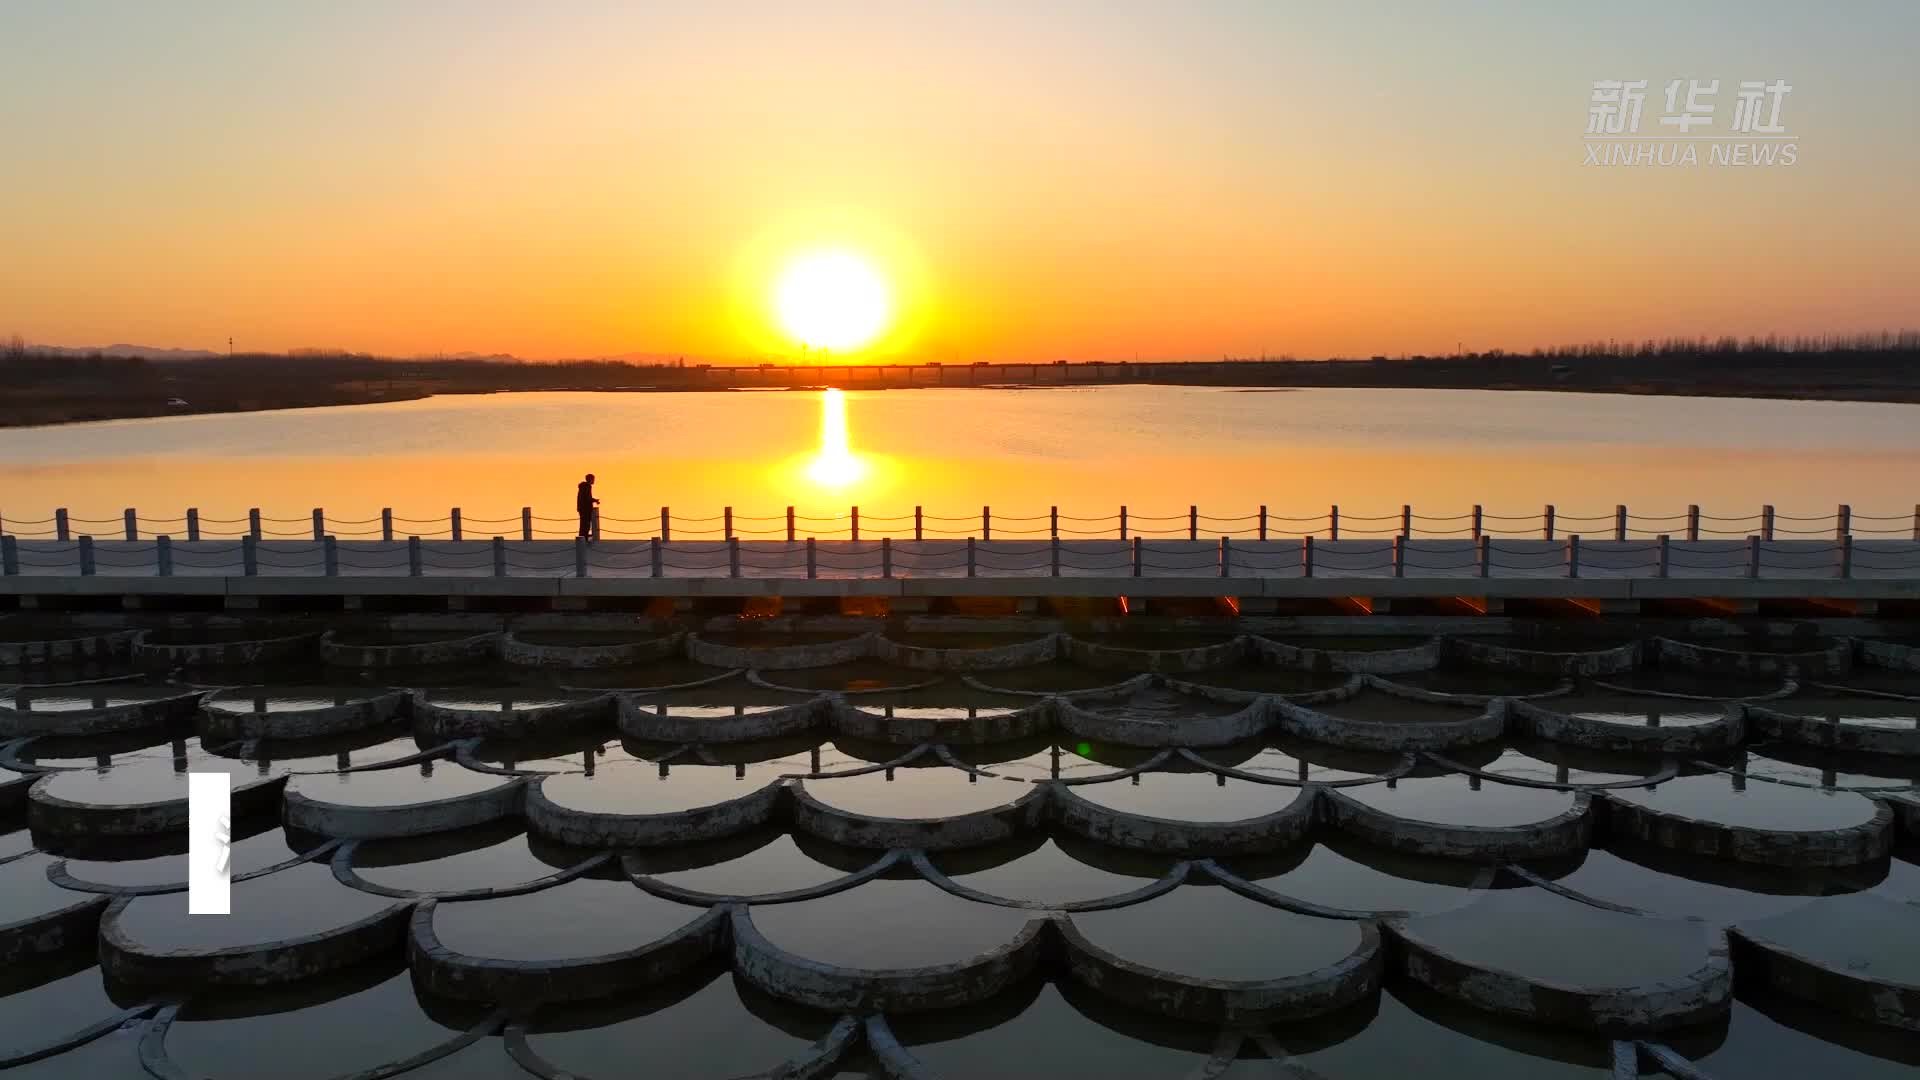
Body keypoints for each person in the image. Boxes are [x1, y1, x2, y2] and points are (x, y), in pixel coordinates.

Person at [576, 473, 600, 542]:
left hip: (581, 508)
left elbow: (585, 497)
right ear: (590, 479)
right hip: (586, 509)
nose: (594, 481)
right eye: (593, 479)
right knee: (586, 524)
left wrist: (594, 500)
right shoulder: (588, 486)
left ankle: (582, 539)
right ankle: (585, 539)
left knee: (583, 524)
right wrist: (595, 500)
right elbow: (588, 498)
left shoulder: (582, 486)